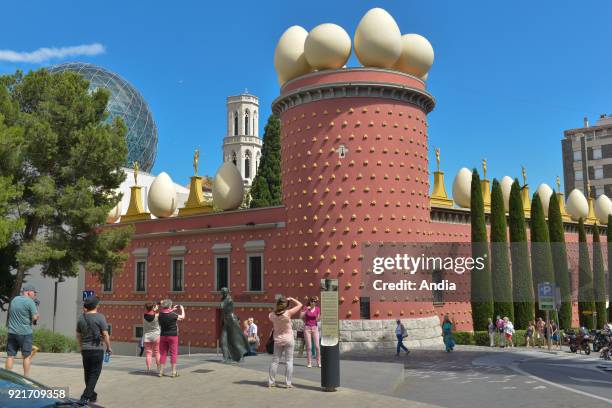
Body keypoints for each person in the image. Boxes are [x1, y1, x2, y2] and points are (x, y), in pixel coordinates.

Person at [76, 296, 112, 405]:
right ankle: (85, 397)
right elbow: (105, 333)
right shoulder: (100, 317)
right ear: (96, 306)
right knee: (95, 373)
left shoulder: (81, 317)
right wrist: (109, 347)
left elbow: (78, 335)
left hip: (85, 350)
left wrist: (81, 347)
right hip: (96, 350)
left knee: (87, 373)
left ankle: (92, 395)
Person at [5, 283, 39, 377]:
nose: (35, 294)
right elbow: (35, 317)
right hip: (25, 333)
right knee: (27, 356)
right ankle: (26, 378)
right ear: (28, 292)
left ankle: (8, 377)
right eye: (33, 292)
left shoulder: (15, 300)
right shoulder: (30, 302)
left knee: (10, 356)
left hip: (12, 332)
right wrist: (36, 314)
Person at [268, 296, 303, 388]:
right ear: (286, 305)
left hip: (278, 340)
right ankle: (288, 383)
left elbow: (275, 312)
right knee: (289, 361)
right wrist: (292, 299)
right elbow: (300, 305)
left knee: (275, 361)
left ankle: (271, 382)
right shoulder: (288, 313)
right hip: (288, 339)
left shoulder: (271, 315)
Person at [158, 299, 185, 377]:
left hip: (163, 335)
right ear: (169, 306)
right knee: (173, 353)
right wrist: (182, 309)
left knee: (163, 353)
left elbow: (166, 313)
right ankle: (173, 372)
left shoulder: (160, 314)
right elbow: (182, 317)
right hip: (173, 336)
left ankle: (161, 372)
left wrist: (172, 309)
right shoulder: (173, 315)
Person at [301, 297, 321, 367]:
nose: (313, 302)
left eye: (315, 301)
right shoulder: (306, 308)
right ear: (310, 302)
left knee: (317, 346)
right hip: (307, 328)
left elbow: (318, 319)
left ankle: (318, 362)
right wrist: (306, 310)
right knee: (309, 346)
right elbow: (301, 316)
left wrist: (319, 317)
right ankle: (309, 362)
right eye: (312, 301)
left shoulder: (317, 309)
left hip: (315, 328)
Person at [143, 303, 161, 374]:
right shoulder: (157, 315)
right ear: (153, 307)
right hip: (156, 335)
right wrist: (156, 309)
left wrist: (154, 308)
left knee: (148, 353)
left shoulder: (144, 316)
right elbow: (156, 314)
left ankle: (148, 369)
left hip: (147, 336)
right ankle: (159, 368)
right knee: (157, 352)